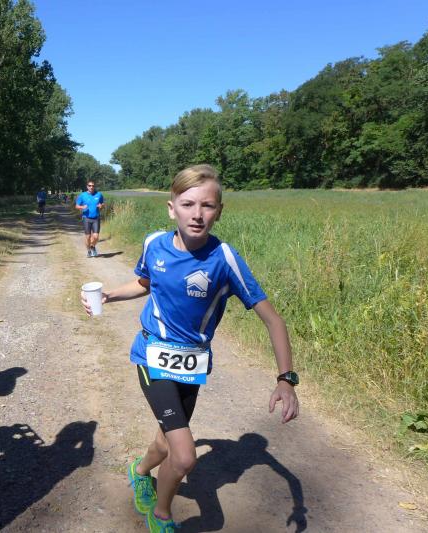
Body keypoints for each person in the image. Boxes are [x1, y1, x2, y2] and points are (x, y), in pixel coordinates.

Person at [81, 164, 299, 532]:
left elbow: (274, 320)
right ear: (172, 209)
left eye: (207, 205)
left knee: (166, 441)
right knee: (184, 457)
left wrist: (286, 379)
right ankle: (162, 516)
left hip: (191, 365)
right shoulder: (154, 243)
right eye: (187, 204)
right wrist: (110, 295)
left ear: (219, 211)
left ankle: (140, 471)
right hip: (151, 354)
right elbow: (145, 283)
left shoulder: (225, 258)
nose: (197, 214)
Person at [75, 180, 105, 257]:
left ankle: (92, 246)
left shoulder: (99, 194)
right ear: (87, 186)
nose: (91, 187)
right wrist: (82, 207)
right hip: (86, 218)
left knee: (96, 237)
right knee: (88, 237)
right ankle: (88, 251)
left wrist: (101, 206)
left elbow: (102, 203)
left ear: (94, 186)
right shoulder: (82, 195)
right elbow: (77, 206)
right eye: (90, 185)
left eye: (93, 186)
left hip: (96, 218)